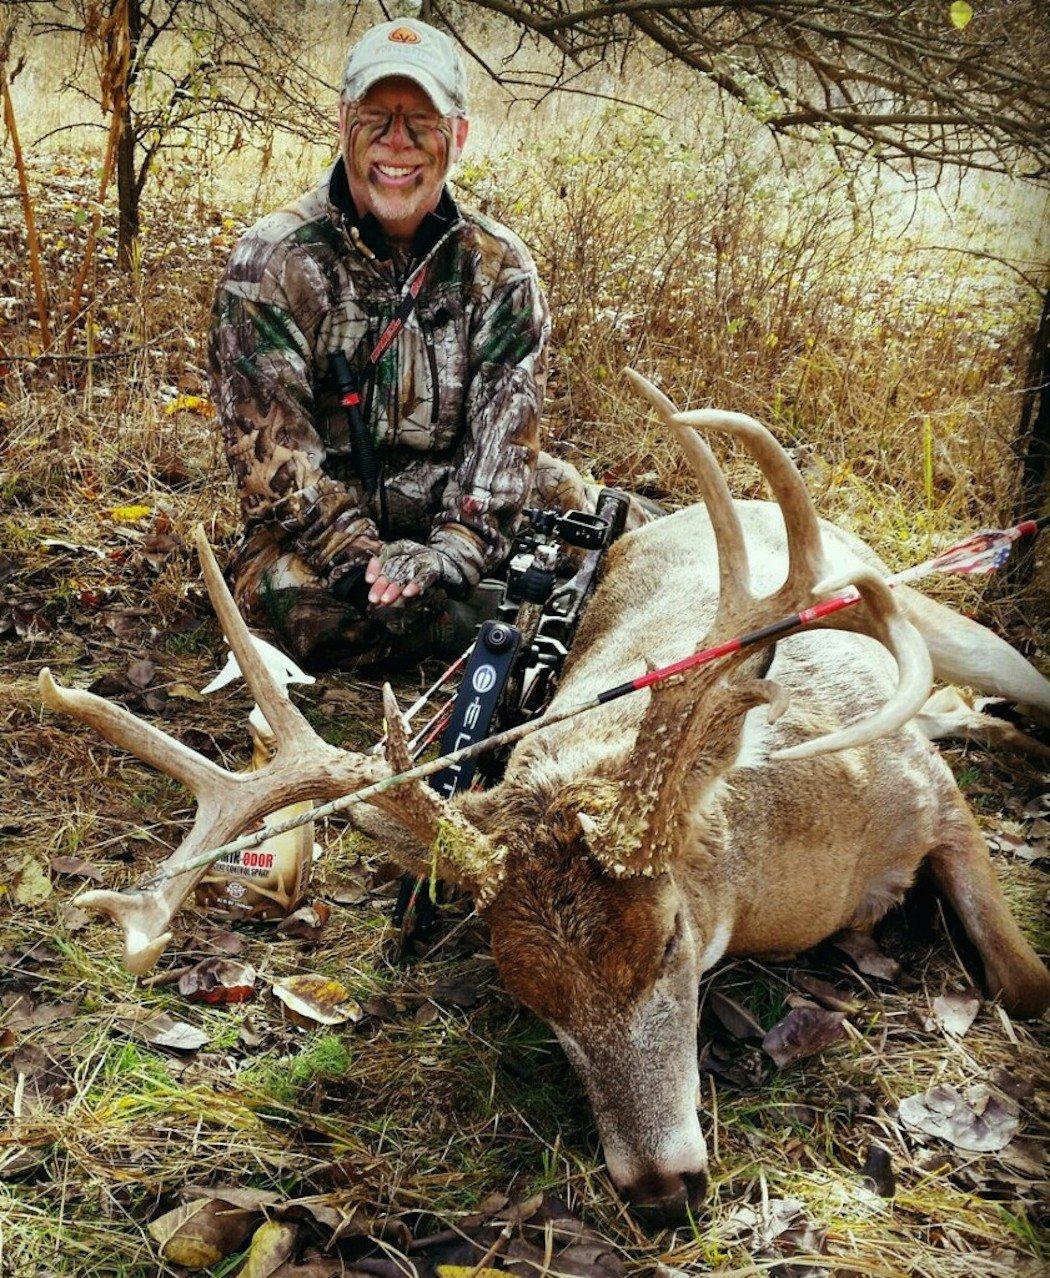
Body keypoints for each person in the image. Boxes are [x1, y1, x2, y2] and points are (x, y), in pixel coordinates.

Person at [208, 17, 648, 671]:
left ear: (459, 134)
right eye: (377, 117)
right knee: (309, 612)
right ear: (344, 122)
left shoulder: (501, 267)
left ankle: (516, 609)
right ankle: (514, 619)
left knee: (577, 512)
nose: (397, 142)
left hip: (452, 506)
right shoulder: (270, 262)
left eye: (422, 120)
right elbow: (277, 466)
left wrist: (449, 556)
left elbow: (505, 445)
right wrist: (364, 561)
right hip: (322, 530)